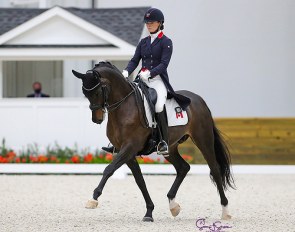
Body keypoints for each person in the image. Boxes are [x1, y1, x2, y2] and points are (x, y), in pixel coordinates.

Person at [102, 7, 190, 155]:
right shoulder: (143, 42)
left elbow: (163, 64)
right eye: (147, 22)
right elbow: (135, 60)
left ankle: (162, 141)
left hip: (158, 80)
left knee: (159, 104)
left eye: (152, 22)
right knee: (127, 101)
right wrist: (126, 71)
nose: (148, 25)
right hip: (141, 80)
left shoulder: (166, 42)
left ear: (160, 23)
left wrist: (150, 73)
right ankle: (118, 141)